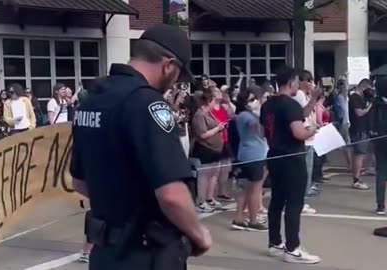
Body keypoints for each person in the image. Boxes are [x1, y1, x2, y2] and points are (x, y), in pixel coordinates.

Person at [70, 24, 211, 270]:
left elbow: (80, 182)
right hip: (145, 253)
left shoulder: (92, 101)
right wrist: (199, 234)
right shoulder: (147, 104)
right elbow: (171, 195)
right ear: (168, 65)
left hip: (105, 252)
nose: (175, 82)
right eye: (178, 73)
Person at [260, 66, 320, 264]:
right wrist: (312, 130)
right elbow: (298, 132)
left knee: (277, 200)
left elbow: (267, 130)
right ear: (291, 82)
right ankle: (292, 248)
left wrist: (313, 101)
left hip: (274, 156)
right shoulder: (291, 104)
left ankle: (274, 243)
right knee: (294, 203)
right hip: (292, 158)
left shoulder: (268, 105)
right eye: (297, 81)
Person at [231, 89, 268, 232]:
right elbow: (257, 129)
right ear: (245, 103)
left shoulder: (244, 115)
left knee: (245, 189)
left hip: (248, 154)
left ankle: (239, 218)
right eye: (252, 99)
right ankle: (253, 220)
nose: (255, 102)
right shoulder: (245, 116)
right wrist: (260, 115)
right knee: (254, 189)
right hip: (253, 156)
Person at [292, 70, 322, 213]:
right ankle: (300, 201)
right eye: (308, 80)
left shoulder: (306, 95)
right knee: (304, 172)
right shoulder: (300, 94)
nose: (311, 83)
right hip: (304, 138)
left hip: (310, 137)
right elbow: (303, 114)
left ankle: (300, 200)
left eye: (312, 80)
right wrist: (314, 98)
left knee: (306, 172)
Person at [191, 87, 224, 213]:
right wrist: (218, 129)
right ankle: (201, 201)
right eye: (214, 101)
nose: (215, 104)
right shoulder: (199, 115)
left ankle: (209, 198)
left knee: (213, 173)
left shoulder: (208, 113)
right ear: (208, 101)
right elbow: (202, 134)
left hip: (215, 148)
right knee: (204, 175)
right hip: (205, 148)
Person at [349, 78, 374, 190]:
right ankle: (356, 179)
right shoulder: (355, 97)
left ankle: (356, 177)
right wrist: (369, 107)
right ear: (363, 87)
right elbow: (359, 113)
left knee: (360, 155)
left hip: (363, 129)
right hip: (359, 130)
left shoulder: (361, 98)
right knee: (359, 155)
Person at [370, 76, 387, 215]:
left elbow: (371, 124)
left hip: (379, 141)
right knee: (381, 173)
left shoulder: (374, 103)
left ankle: (380, 205)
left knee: (381, 173)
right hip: (381, 140)